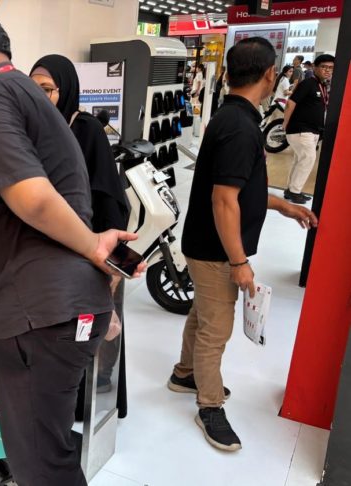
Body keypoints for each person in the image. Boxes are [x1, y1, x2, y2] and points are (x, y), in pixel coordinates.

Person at [0, 7, 145, 485]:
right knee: (50, 452)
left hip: (39, 314)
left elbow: (30, 198)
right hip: (64, 309)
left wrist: (92, 246)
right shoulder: (33, 97)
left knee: (41, 468)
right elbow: (9, 219)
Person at [168, 37, 317, 452]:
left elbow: (240, 188)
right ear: (270, 74)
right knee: (217, 329)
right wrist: (238, 261)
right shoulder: (240, 127)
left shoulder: (233, 117)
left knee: (202, 314)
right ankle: (209, 405)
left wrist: (283, 206)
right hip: (215, 250)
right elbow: (223, 200)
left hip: (205, 242)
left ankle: (184, 374)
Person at [29, 54, 130, 398]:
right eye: (33, 89)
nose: (40, 97)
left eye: (47, 89)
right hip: (50, 251)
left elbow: (108, 195)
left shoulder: (85, 129)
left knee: (94, 326)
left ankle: (96, 387)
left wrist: (111, 260)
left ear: (66, 89)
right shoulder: (31, 130)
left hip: (91, 247)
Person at [282, 54, 335, 204]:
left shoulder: (322, 85)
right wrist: (285, 124)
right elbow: (291, 102)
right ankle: (294, 191)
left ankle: (291, 190)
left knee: (300, 160)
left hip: (311, 131)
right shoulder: (308, 83)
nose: (327, 70)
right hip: (301, 129)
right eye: (324, 67)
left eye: (331, 68)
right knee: (308, 159)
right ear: (315, 67)